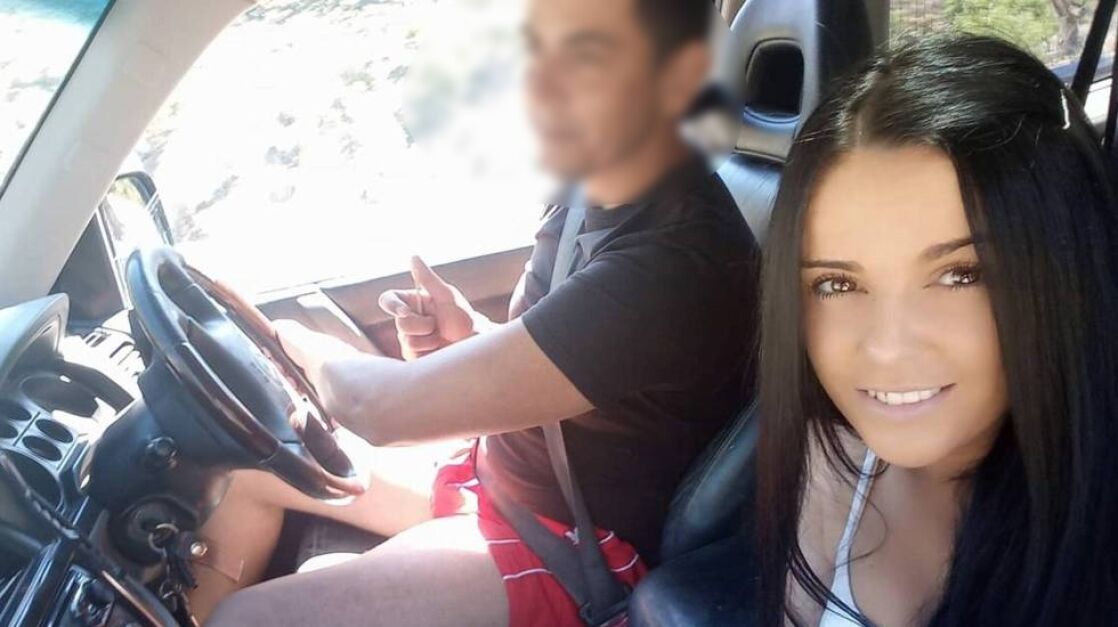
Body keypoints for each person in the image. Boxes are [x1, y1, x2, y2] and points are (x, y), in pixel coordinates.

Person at [200, 0, 760, 625]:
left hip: (574, 549)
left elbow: (375, 409)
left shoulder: (674, 265)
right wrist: (469, 337)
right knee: (232, 463)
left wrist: (294, 344)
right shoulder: (589, 193)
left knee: (248, 621)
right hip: (495, 477)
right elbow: (584, 366)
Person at [754, 34, 1118, 626]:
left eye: (961, 274)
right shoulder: (830, 458)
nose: (887, 347)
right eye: (837, 284)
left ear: (1067, 273)